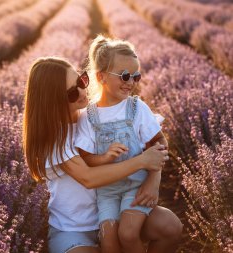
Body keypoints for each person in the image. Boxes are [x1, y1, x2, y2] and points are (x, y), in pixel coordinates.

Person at [22, 56, 182, 253]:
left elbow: (154, 143)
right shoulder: (55, 138)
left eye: (81, 81)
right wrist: (141, 162)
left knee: (171, 227)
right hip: (75, 230)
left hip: (117, 209)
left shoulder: (93, 117)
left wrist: (154, 179)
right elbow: (89, 178)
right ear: (52, 101)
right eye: (72, 92)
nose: (82, 91)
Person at [75, 35, 169, 253]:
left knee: (128, 233)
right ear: (101, 77)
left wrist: (154, 179)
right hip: (107, 191)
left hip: (137, 186)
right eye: (125, 75)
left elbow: (160, 143)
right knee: (109, 242)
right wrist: (105, 157)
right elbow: (86, 158)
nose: (131, 82)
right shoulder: (88, 116)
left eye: (136, 76)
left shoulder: (137, 108)